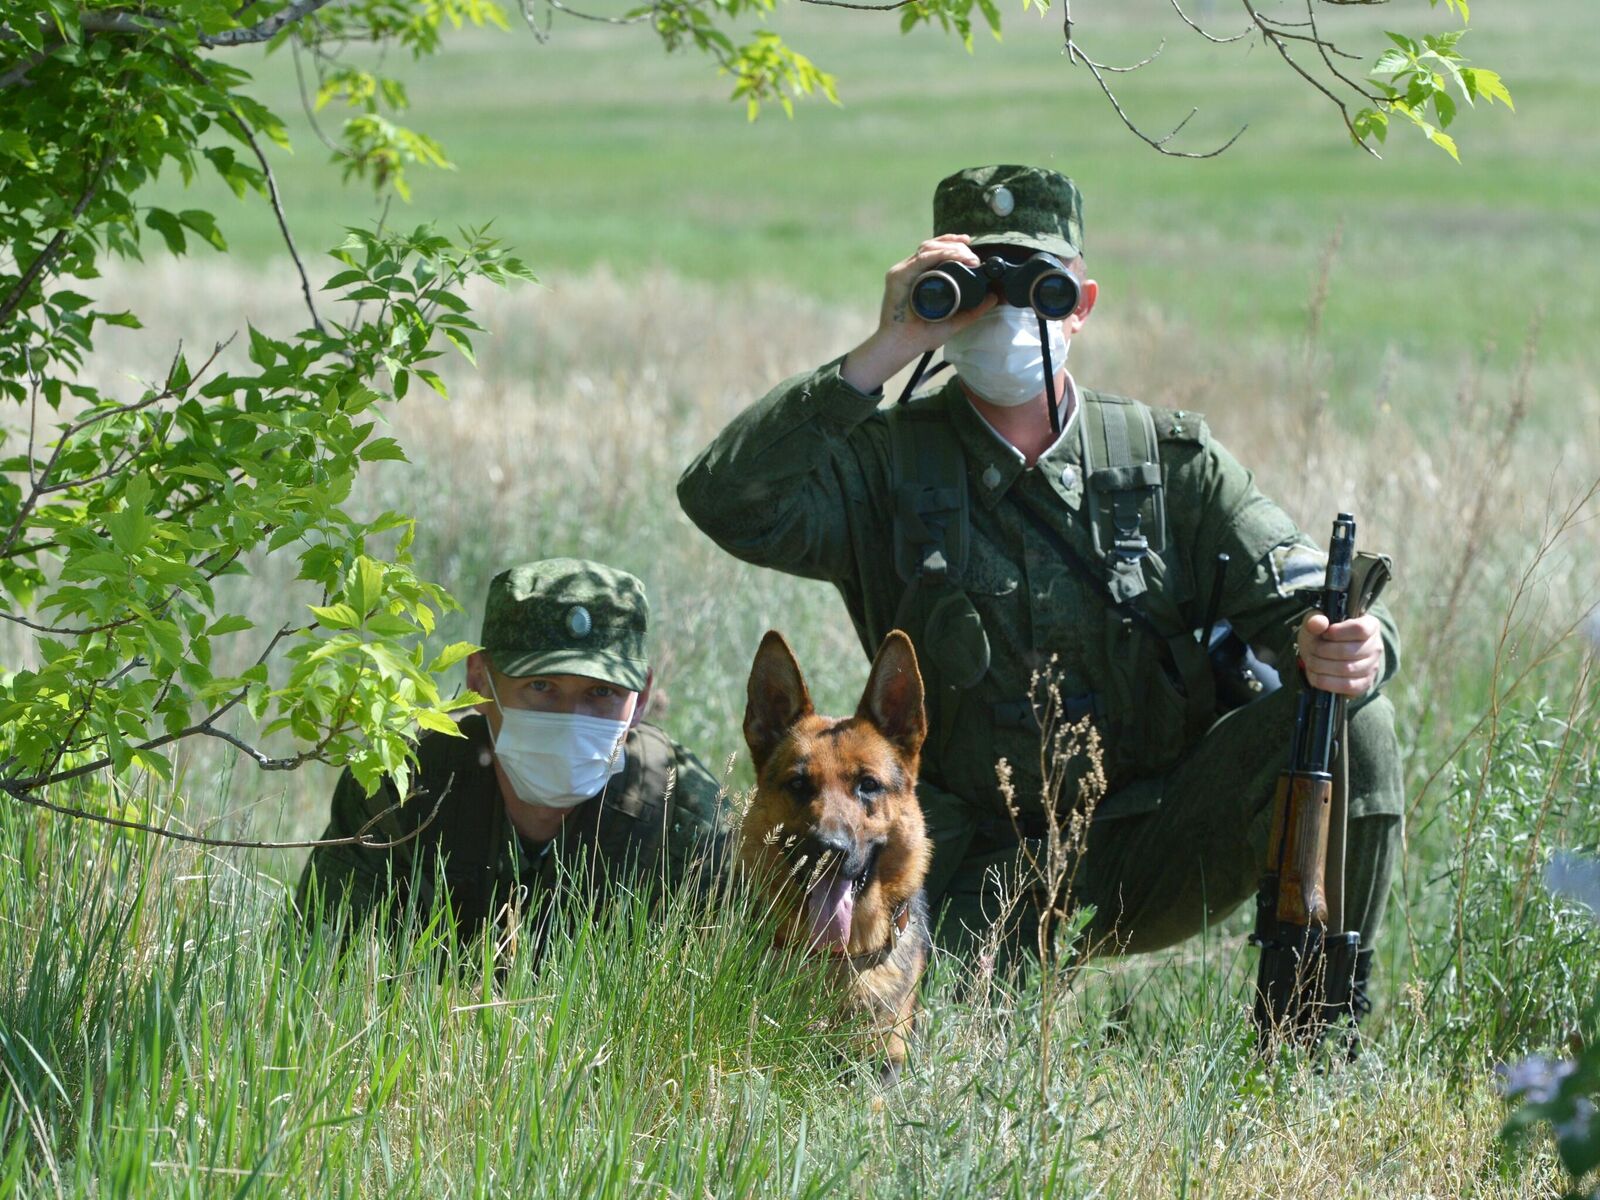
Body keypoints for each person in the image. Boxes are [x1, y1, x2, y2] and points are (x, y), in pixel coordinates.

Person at [677, 165, 1402, 1012]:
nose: (1009, 316)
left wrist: (1356, 645)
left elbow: (1309, 601)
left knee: (1355, 718)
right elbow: (723, 500)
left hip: (1149, 843)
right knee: (926, 1057)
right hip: (963, 871)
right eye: (977, 287)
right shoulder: (885, 466)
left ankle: (1318, 1020)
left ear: (1082, 304)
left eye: (1040, 289)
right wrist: (887, 348)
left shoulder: (1168, 466)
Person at [296, 558, 729, 938]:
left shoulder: (688, 819)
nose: (570, 721)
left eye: (601, 692)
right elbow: (319, 962)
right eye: (541, 686)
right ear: (480, 680)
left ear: (642, 697)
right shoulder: (400, 783)